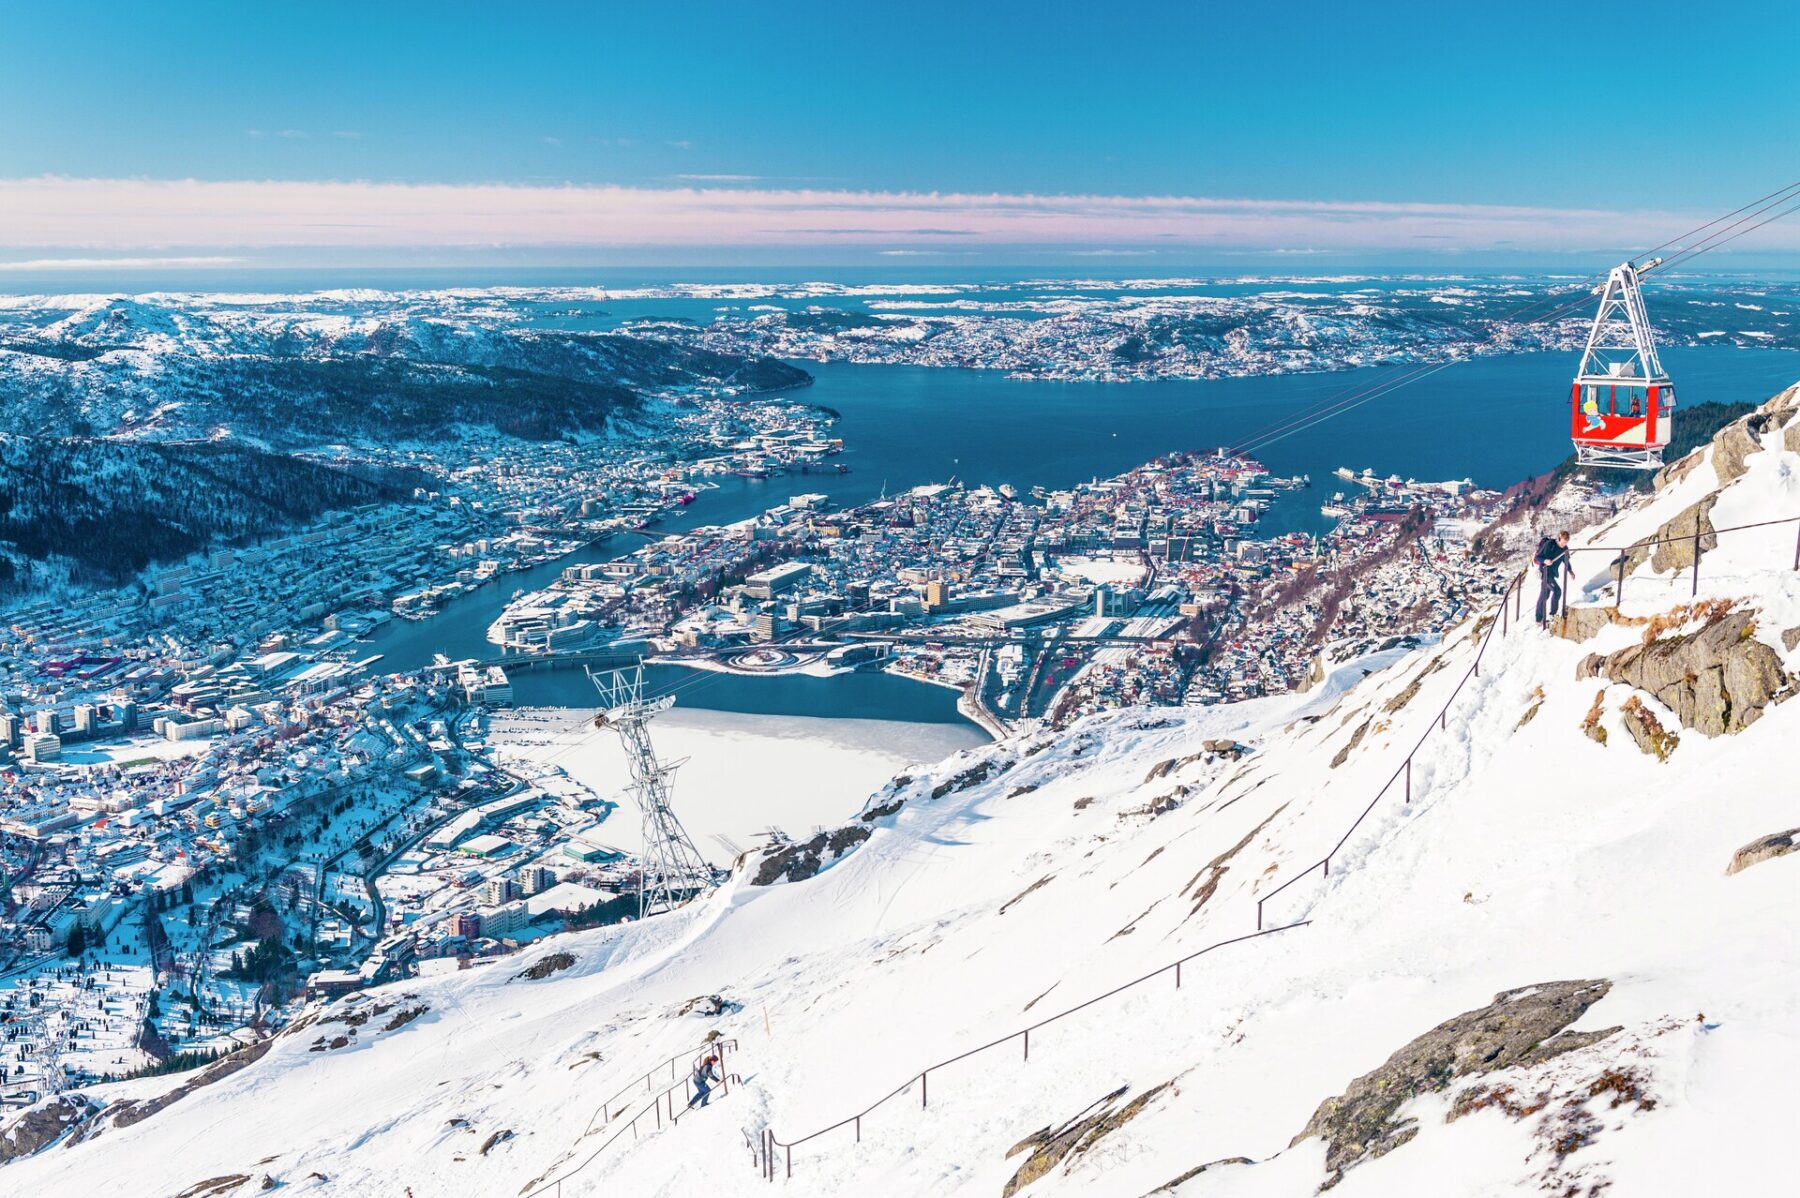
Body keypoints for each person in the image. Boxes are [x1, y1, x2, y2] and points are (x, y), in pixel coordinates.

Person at [1534, 531, 1573, 625]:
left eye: (1566, 543)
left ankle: (1539, 619)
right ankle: (1552, 615)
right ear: (1559, 538)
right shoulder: (1549, 544)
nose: (1564, 545)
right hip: (1545, 572)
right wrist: (1545, 560)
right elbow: (1538, 557)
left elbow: (1566, 561)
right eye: (1563, 542)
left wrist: (1570, 571)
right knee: (1557, 591)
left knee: (1544, 596)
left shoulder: (1565, 549)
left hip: (1552, 574)